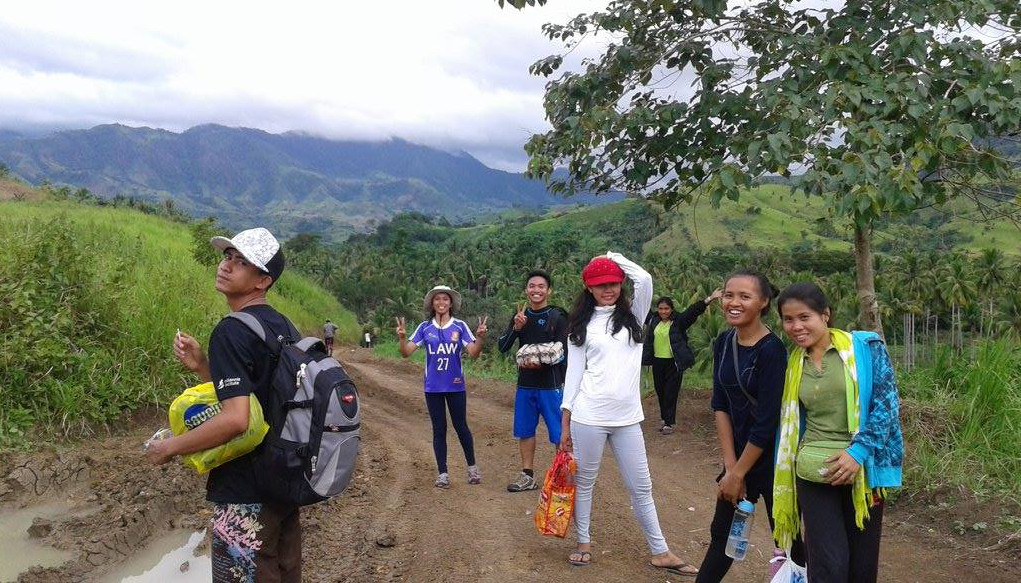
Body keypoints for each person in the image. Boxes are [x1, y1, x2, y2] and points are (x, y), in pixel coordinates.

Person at [145, 227, 301, 583]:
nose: (226, 266)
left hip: (245, 491)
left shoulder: (232, 330)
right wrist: (203, 367)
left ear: (262, 280)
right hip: (283, 483)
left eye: (241, 262)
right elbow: (261, 396)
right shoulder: (283, 326)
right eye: (227, 256)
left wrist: (169, 447)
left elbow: (236, 420)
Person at [560, 252, 698, 575]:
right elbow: (573, 375)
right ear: (589, 288)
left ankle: (660, 550)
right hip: (588, 416)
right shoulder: (580, 326)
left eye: (614, 283)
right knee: (585, 482)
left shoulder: (635, 316)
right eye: (601, 285)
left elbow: (645, 280)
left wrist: (615, 259)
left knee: (641, 486)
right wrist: (565, 420)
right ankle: (583, 542)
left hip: (628, 419)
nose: (609, 289)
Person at [773, 283, 903, 583]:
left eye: (804, 317)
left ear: (825, 315)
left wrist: (856, 453)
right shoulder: (793, 363)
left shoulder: (866, 348)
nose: (796, 326)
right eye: (788, 319)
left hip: (863, 469)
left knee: (862, 567)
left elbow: (886, 406)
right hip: (812, 472)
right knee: (828, 566)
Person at [695, 270, 798, 582]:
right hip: (738, 458)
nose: (733, 303)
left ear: (763, 302)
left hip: (772, 462)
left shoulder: (772, 351)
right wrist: (731, 470)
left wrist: (739, 472)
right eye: (729, 295)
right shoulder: (724, 342)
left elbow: (767, 422)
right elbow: (721, 403)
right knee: (722, 537)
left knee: (789, 542)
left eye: (744, 296)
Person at [395, 285, 487, 488]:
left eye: (445, 299)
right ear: (432, 304)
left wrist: (480, 337)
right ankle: (443, 473)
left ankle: (472, 469)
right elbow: (406, 352)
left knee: (461, 426)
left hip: (456, 386)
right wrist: (402, 338)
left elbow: (473, 352)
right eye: (438, 299)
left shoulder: (460, 326)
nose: (441, 303)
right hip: (433, 387)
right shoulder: (424, 327)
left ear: (451, 303)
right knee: (439, 429)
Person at [497, 269, 568, 492]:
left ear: (548, 290)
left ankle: (562, 477)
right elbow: (503, 346)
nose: (536, 290)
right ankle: (527, 475)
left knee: (559, 433)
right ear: (526, 290)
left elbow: (565, 350)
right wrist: (517, 329)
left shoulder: (557, 315)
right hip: (526, 384)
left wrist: (545, 364)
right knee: (525, 430)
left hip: (551, 385)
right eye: (532, 286)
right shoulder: (521, 316)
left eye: (541, 286)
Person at [642, 290, 722, 435]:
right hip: (658, 362)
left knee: (670, 392)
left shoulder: (678, 321)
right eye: (660, 308)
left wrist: (709, 299)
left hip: (674, 363)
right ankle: (664, 417)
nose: (663, 311)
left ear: (671, 309)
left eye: (666, 308)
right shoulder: (654, 320)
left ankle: (668, 423)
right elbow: (640, 308)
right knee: (660, 391)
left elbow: (693, 311)